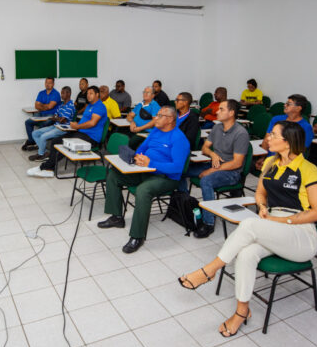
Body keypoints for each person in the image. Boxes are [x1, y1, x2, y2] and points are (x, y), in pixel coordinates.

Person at [178, 122, 317, 337]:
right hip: (274, 225)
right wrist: (263, 207)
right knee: (246, 254)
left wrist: (282, 221)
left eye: (273, 135)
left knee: (248, 224)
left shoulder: (309, 169)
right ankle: (242, 311)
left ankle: (210, 270)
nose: (267, 137)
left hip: (301, 234)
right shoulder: (271, 163)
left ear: (287, 142)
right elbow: (260, 193)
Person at [97, 106, 190, 253]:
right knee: (114, 175)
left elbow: (177, 167)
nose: (155, 118)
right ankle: (116, 217)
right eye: (156, 115)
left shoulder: (179, 139)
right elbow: (142, 148)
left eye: (160, 115)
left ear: (170, 119)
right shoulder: (156, 131)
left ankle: (137, 236)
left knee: (143, 190)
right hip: (145, 170)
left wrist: (151, 163)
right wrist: (138, 157)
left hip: (166, 178)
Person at [181, 100, 250, 238]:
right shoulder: (217, 127)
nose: (217, 111)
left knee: (206, 180)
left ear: (231, 113)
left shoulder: (241, 133)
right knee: (182, 171)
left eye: (221, 109)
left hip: (231, 172)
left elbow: (237, 163)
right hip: (214, 165)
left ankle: (208, 223)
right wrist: (213, 155)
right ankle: (187, 206)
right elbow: (205, 147)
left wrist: (212, 170)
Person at [27, 85, 107, 178]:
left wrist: (77, 126)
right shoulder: (89, 105)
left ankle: (45, 168)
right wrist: (75, 125)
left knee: (64, 145)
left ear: (97, 95)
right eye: (88, 93)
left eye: (91, 93)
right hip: (81, 132)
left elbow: (92, 123)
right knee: (55, 141)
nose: (88, 95)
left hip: (91, 137)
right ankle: (49, 169)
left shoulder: (100, 106)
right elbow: (84, 121)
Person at [255, 94, 314, 170]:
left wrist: (277, 162)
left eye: (288, 104)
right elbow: (266, 139)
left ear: (298, 108)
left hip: (288, 163)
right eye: (285, 103)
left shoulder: (306, 127)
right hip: (270, 158)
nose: (285, 105)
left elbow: (299, 151)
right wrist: (263, 157)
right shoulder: (276, 119)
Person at [28, 86, 75, 162]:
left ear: (69, 94)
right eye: (61, 93)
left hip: (63, 129)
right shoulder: (62, 104)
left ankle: (41, 154)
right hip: (56, 126)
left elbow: (63, 120)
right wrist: (57, 118)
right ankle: (45, 152)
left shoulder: (70, 105)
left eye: (63, 93)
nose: (61, 95)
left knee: (43, 136)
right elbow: (55, 116)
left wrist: (57, 118)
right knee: (35, 133)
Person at [21, 77, 61, 151]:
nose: (47, 84)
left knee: (44, 124)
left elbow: (50, 107)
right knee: (28, 122)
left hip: (51, 115)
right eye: (46, 82)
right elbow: (36, 105)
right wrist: (45, 106)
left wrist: (41, 105)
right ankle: (32, 141)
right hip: (40, 114)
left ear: (53, 84)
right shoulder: (41, 93)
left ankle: (38, 144)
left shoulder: (56, 94)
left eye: (49, 83)